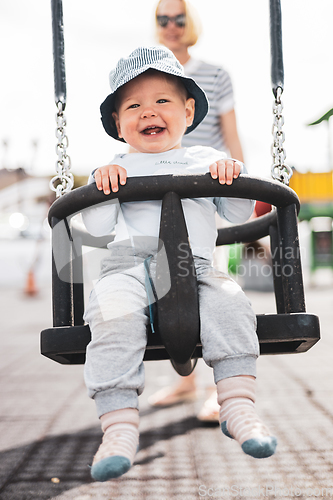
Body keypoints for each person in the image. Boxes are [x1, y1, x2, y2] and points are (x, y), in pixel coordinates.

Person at [81, 46, 277, 482]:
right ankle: (118, 428)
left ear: (189, 112)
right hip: (129, 267)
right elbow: (94, 224)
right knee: (110, 315)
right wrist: (102, 186)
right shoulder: (116, 166)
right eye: (133, 105)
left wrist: (232, 176)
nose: (148, 111)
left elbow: (237, 216)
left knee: (231, 304)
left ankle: (238, 406)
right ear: (118, 123)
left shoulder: (206, 160)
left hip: (198, 266)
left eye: (162, 101)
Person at [150, 0, 244, 418]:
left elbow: (230, 134)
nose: (171, 26)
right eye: (162, 19)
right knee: (164, 277)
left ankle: (214, 387)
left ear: (192, 22)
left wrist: (244, 181)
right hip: (160, 180)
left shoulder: (215, 75)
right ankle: (185, 382)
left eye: (179, 18)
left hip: (206, 183)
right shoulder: (150, 73)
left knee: (210, 276)